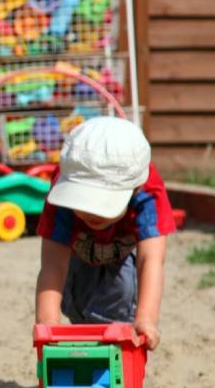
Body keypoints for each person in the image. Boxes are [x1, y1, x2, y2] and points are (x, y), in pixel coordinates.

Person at [35, 117, 174, 349]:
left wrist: (146, 319)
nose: (91, 212)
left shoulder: (147, 193)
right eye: (83, 201)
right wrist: (47, 324)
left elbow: (150, 259)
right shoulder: (61, 194)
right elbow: (53, 264)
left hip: (123, 251)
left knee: (122, 294)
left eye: (101, 203)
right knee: (77, 303)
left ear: (135, 189)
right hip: (78, 251)